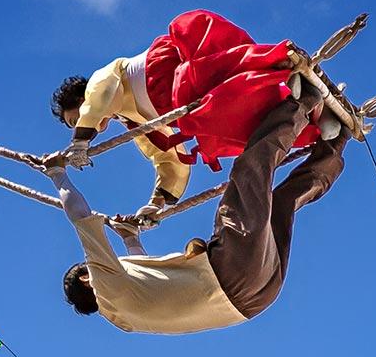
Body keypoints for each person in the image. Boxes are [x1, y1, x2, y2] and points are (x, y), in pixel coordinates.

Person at [49, 89, 346, 335]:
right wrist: (57, 175)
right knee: (248, 173)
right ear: (87, 278)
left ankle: (336, 141)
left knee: (282, 204)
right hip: (231, 273)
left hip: (257, 297)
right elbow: (80, 217)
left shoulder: (124, 318)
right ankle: (304, 101)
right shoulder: (103, 282)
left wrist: (129, 237)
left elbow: (142, 268)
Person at [50, 9, 315, 215]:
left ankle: (276, 63)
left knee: (197, 84)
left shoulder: (102, 78)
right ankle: (308, 118)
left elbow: (100, 97)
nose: (96, 126)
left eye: (77, 118)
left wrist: (81, 139)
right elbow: (167, 157)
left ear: (82, 101)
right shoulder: (135, 123)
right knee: (232, 124)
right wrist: (158, 203)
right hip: (187, 102)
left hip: (174, 70)